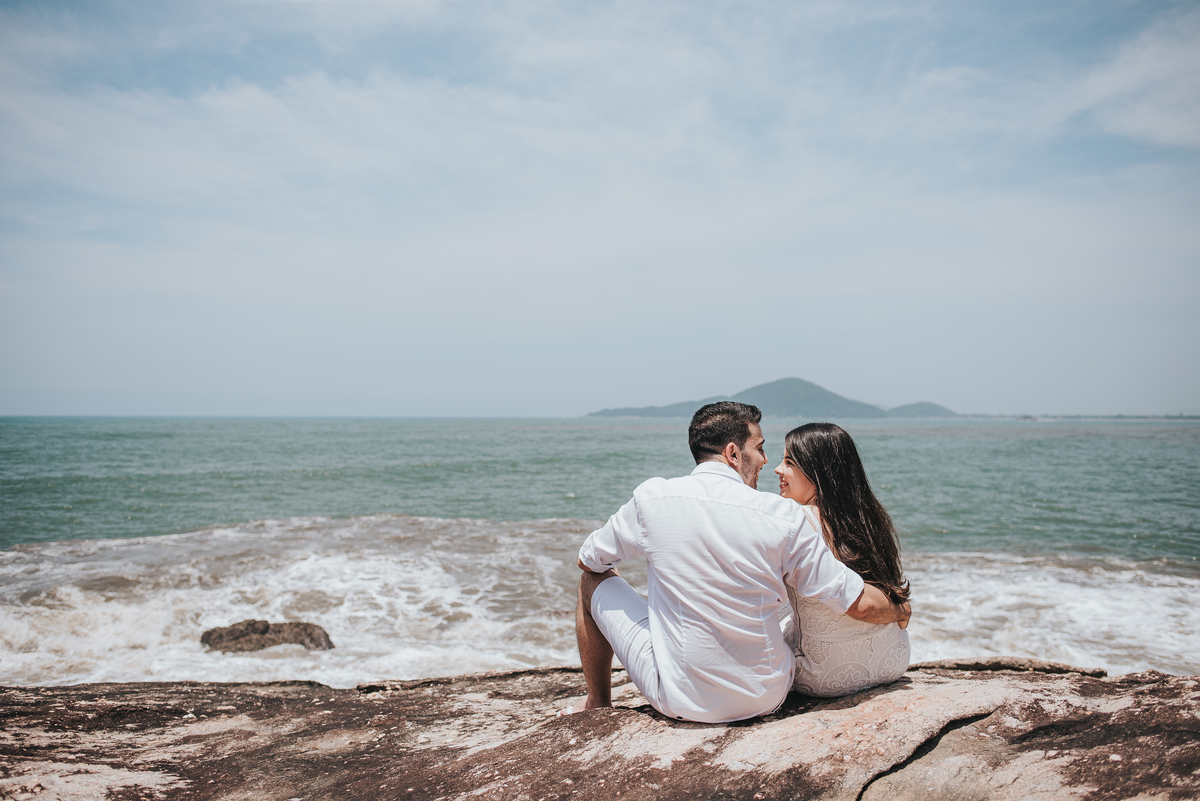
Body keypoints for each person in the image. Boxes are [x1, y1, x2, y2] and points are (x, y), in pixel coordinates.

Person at [561, 402, 911, 723]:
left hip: (681, 701)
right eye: (759, 448)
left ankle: (597, 702)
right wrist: (898, 610)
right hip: (768, 695)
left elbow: (588, 558)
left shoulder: (653, 498)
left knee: (593, 582)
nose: (764, 460)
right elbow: (857, 602)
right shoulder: (781, 515)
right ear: (732, 453)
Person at [774, 422, 911, 697]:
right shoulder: (869, 517)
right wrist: (902, 609)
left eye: (789, 461)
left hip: (822, 676)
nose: (778, 469)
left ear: (818, 472)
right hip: (894, 660)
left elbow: (858, 605)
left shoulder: (795, 519)